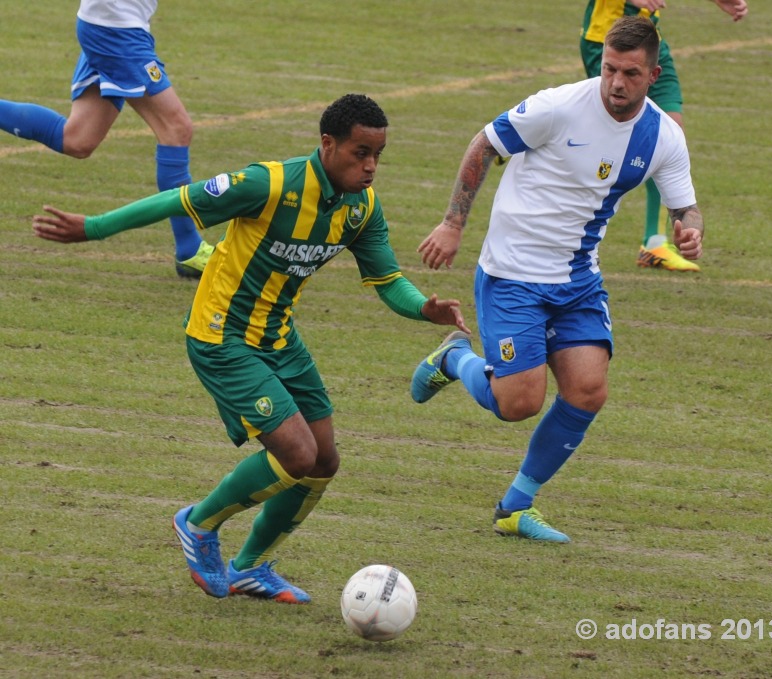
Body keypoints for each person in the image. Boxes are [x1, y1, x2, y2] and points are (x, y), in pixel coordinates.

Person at [32, 93, 469, 602]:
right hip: (222, 336)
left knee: (324, 461)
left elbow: (387, 280)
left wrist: (422, 309)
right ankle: (198, 524)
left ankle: (250, 567)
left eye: (378, 155)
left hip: (279, 337)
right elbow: (181, 200)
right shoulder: (270, 184)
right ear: (328, 145)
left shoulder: (360, 209)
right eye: (360, 153)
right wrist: (94, 227)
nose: (371, 166)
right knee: (297, 452)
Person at [410, 17, 703, 543]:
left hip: (577, 280)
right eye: (610, 68)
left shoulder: (664, 136)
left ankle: (515, 507)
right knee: (518, 403)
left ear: (653, 74)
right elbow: (484, 145)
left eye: (630, 73)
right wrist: (453, 223)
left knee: (588, 391)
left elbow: (686, 205)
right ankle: (454, 357)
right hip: (513, 275)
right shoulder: (559, 106)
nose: (616, 82)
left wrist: (691, 232)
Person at [1, 1, 213, 279]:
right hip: (116, 28)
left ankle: (189, 250)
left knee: (78, 139)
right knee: (176, 129)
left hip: (111, 24)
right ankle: (190, 250)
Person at [580, 0, 746, 272]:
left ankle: (655, 243)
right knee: (603, 134)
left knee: (670, 131)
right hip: (608, 41)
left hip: (650, 39)